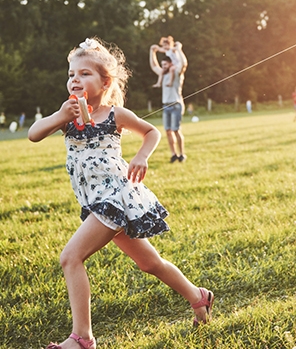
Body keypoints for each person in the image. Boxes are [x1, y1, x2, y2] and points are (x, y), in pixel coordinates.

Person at [28, 37, 213, 349]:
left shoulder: (115, 115)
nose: (75, 79)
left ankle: (82, 338)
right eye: (72, 74)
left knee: (70, 258)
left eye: (85, 73)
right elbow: (34, 134)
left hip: (115, 197)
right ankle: (198, 297)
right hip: (95, 202)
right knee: (149, 263)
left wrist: (141, 156)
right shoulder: (67, 116)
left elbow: (151, 132)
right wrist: (62, 115)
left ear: (105, 81)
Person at [149, 41, 188, 163]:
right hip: (166, 106)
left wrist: (180, 50)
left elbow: (183, 64)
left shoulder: (176, 73)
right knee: (168, 131)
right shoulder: (162, 74)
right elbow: (154, 65)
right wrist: (152, 52)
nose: (164, 66)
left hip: (176, 105)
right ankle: (173, 154)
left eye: (166, 64)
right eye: (163, 65)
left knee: (176, 130)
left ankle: (182, 154)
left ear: (171, 64)